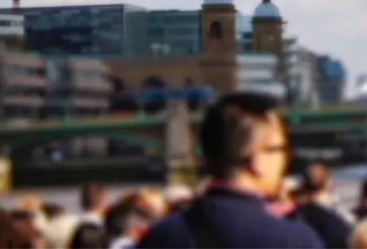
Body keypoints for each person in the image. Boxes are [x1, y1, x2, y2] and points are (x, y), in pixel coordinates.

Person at [137, 92, 323, 248]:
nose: (286, 157)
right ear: (257, 160)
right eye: (280, 149)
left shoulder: (163, 236)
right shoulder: (295, 240)